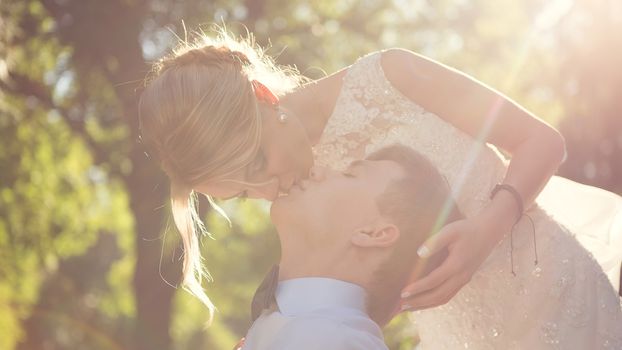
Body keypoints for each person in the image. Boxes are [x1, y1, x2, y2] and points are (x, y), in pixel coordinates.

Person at [138, 27, 622, 347]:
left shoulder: (392, 77)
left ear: (264, 97)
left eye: (259, 161)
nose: (271, 189)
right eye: (244, 193)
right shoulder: (306, 200)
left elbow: (543, 142)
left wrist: (485, 232)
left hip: (555, 295)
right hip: (465, 335)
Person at [242, 145, 461, 349]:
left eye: (349, 175)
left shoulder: (333, 341)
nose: (316, 171)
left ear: (374, 233)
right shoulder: (319, 334)